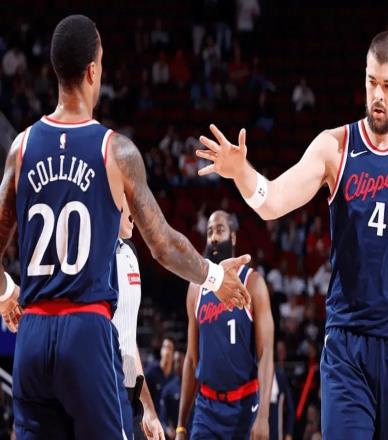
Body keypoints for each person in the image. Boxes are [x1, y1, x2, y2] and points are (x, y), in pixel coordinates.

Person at [197, 31, 388, 439]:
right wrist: (242, 173)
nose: (377, 95)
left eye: (387, 85)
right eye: (371, 82)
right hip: (347, 343)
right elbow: (272, 201)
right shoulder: (335, 147)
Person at [0, 15, 250, 439]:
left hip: (33, 333)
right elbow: (163, 244)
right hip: (86, 330)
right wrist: (213, 277)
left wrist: (7, 291)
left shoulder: (20, 149)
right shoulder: (114, 150)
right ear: (93, 70)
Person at [175, 210, 274, 439]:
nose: (214, 237)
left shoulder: (253, 282)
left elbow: (266, 352)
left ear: (233, 237)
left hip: (244, 406)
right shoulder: (196, 289)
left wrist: (263, 416)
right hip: (206, 409)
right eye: (210, 232)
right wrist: (181, 425)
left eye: (220, 230)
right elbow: (191, 358)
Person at [112, 195, 164, 440]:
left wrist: (147, 409)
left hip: (128, 390)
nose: (134, 210)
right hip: (102, 389)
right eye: (128, 202)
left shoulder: (130, 252)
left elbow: (128, 338)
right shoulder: (93, 256)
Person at [145, 337, 176, 412]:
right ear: (161, 350)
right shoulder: (151, 371)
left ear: (174, 354)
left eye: (169, 348)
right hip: (151, 414)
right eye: (164, 347)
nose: (167, 351)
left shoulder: (175, 377)